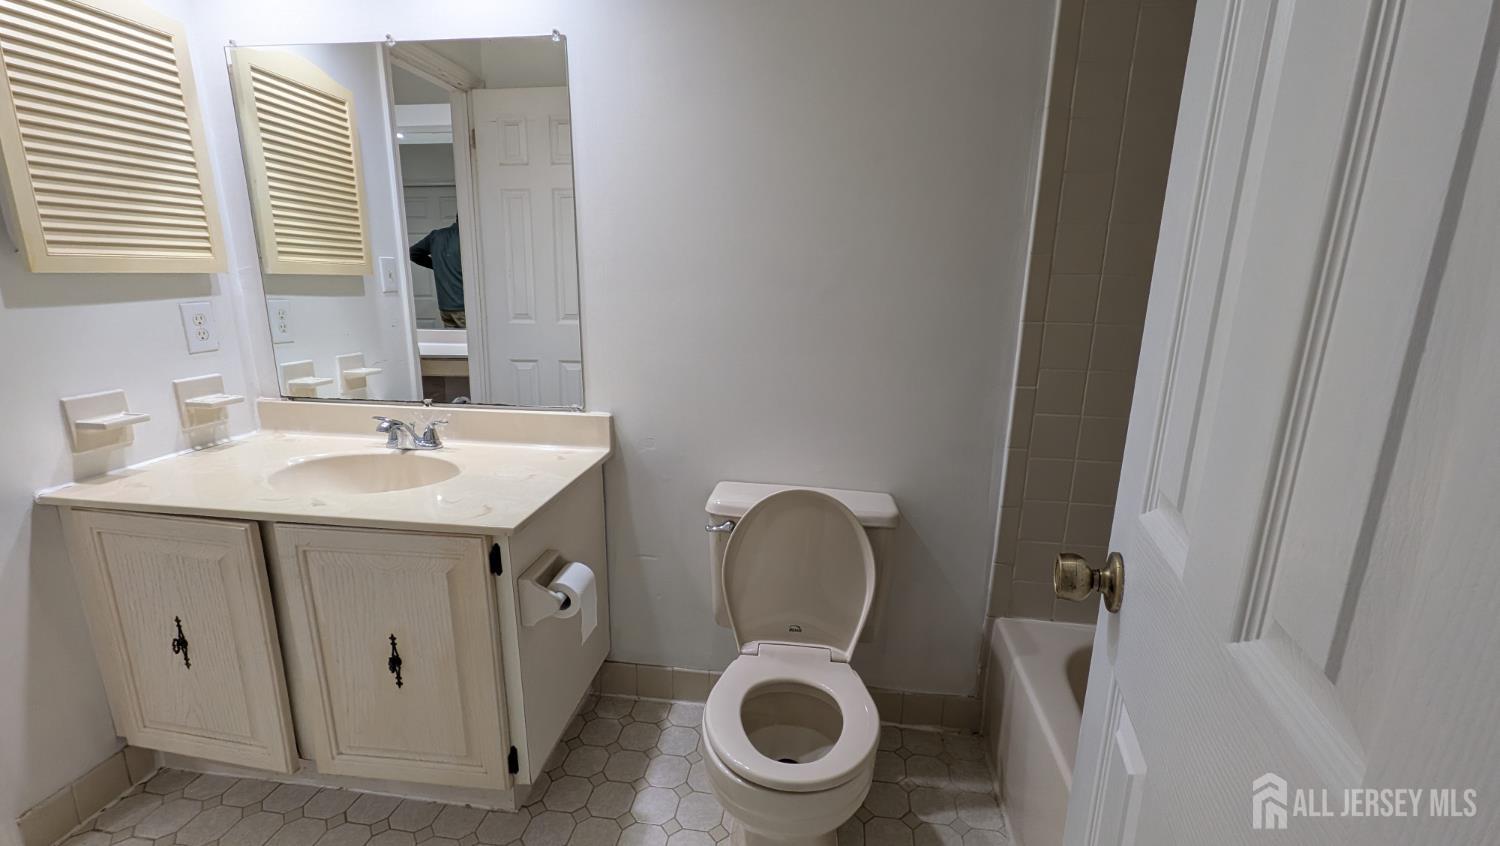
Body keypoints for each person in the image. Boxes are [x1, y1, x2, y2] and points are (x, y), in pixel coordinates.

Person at [409, 220, 464, 328]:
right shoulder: (465, 237)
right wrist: (437, 265)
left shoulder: (436, 236)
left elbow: (413, 253)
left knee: (453, 341)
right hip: (463, 307)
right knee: (472, 343)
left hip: (445, 306)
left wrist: (438, 266)